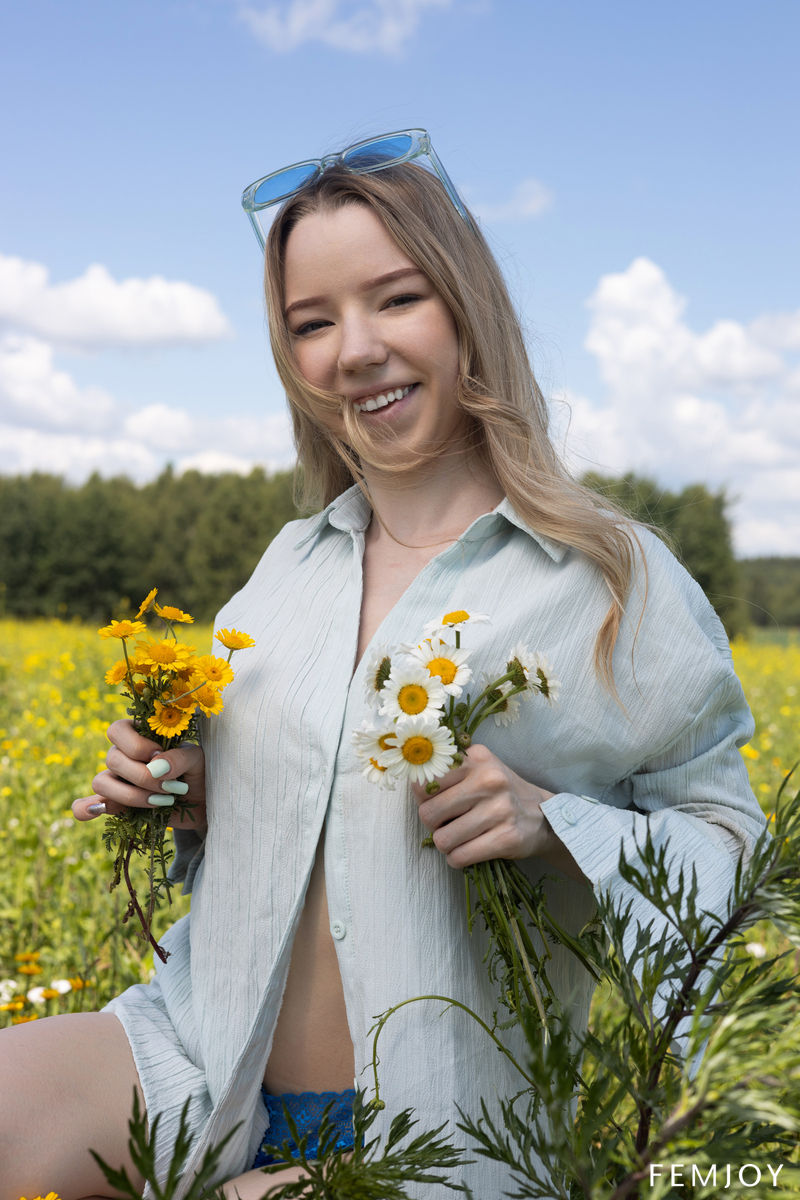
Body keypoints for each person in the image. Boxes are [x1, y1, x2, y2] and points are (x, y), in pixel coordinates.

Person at [0, 129, 766, 1200]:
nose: (350, 349)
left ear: (465, 310)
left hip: (434, 1137)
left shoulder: (609, 578)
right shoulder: (286, 567)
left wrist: (555, 825)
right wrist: (189, 791)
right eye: (310, 323)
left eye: (394, 299)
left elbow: (738, 861)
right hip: (199, 1057)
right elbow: (283, 827)